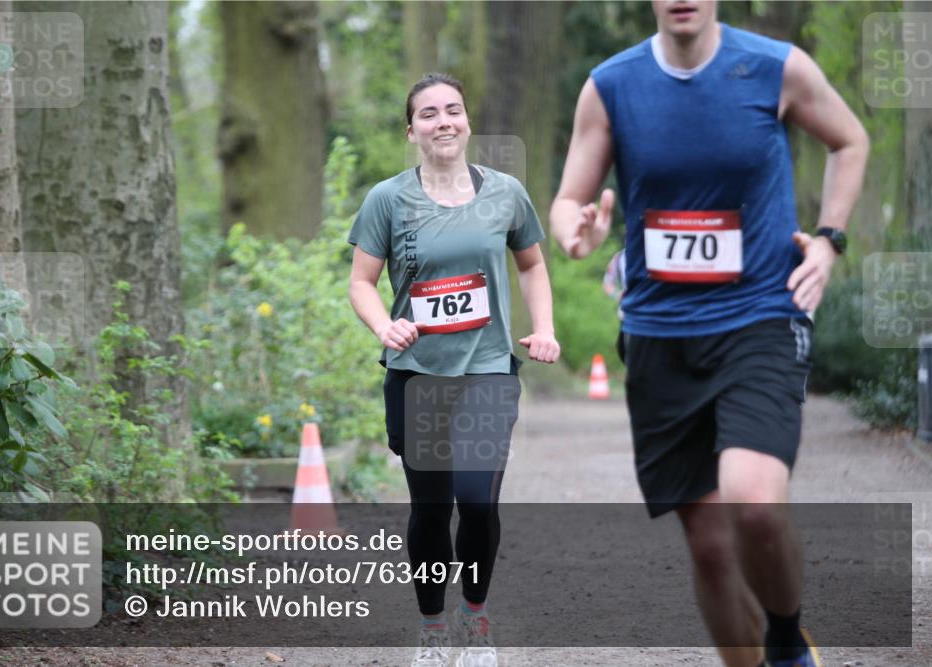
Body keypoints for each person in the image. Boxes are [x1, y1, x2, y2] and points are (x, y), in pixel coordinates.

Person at [550, 2, 868, 666]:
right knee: (711, 545)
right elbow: (567, 200)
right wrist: (573, 231)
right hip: (659, 332)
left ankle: (786, 639)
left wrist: (830, 242)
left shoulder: (776, 69)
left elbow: (849, 140)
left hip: (759, 318)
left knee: (753, 503)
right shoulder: (612, 85)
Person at [348, 73, 560, 667]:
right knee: (432, 509)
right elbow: (362, 283)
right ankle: (433, 629)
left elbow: (533, 266)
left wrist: (543, 329)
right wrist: (382, 327)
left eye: (454, 111)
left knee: (480, 501)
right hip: (416, 372)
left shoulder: (506, 193)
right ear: (411, 129)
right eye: (429, 114)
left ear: (467, 121)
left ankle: (476, 617)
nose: (444, 122)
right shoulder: (387, 199)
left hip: (489, 368)